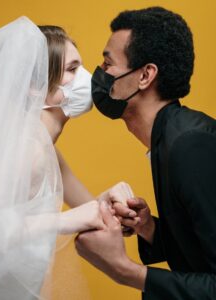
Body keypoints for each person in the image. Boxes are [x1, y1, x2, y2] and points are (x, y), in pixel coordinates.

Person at [0, 17, 134, 300]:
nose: (88, 77)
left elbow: (90, 210)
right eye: (73, 69)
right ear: (35, 86)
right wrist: (67, 220)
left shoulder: (47, 149)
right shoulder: (26, 148)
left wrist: (112, 202)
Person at [75, 6, 216, 300]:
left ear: (145, 75)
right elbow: (200, 250)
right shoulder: (169, 137)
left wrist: (124, 270)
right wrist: (149, 228)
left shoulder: (191, 146)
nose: (99, 75)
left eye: (107, 63)